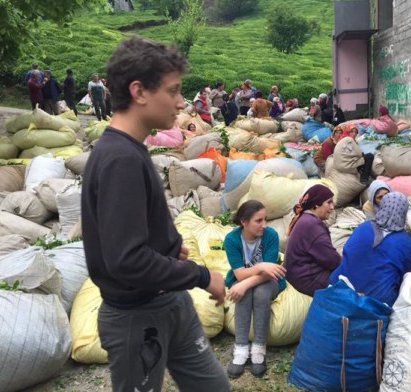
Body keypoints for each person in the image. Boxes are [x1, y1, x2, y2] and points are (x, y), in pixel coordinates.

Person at [81, 36, 230, 392]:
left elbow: (127, 236)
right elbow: (127, 260)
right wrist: (199, 275)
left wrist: (165, 247)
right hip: (136, 317)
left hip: (169, 301)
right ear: (139, 91)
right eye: (173, 90)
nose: (181, 103)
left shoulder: (131, 150)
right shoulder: (120, 160)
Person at [224, 201, 287, 379]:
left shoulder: (271, 235)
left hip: (270, 281)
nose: (264, 225)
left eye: (265, 219)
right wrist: (261, 267)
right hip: (243, 278)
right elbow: (239, 273)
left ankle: (259, 348)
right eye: (258, 221)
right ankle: (241, 348)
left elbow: (270, 273)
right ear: (244, 222)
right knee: (244, 294)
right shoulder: (232, 239)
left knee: (260, 293)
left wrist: (244, 283)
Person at [330, 192, 411, 306]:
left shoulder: (364, 227)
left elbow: (347, 252)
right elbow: (404, 275)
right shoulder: (406, 242)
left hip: (339, 286)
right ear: (404, 212)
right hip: (377, 301)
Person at [285, 185, 341, 297]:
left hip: (298, 274)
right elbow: (332, 260)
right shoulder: (312, 225)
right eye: (329, 202)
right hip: (306, 279)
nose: (332, 207)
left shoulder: (305, 219)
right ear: (316, 205)